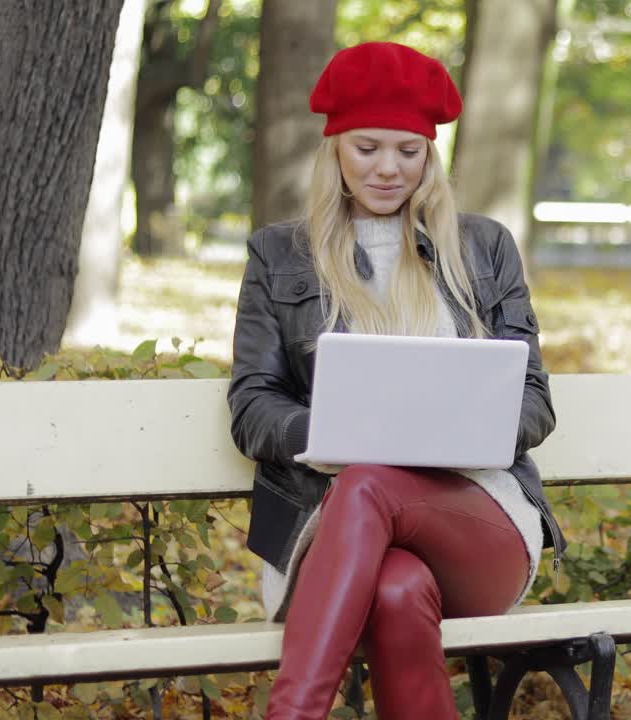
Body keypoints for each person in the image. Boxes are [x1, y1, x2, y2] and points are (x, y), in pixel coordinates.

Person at [226, 41, 566, 720]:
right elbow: (251, 405)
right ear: (335, 150)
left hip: (478, 517)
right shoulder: (279, 255)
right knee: (396, 589)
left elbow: (535, 401)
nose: (388, 169)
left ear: (430, 156)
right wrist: (324, 432)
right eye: (368, 148)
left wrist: (473, 429)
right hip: (329, 527)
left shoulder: (484, 247)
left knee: (372, 480)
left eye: (408, 152)